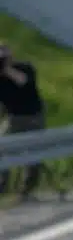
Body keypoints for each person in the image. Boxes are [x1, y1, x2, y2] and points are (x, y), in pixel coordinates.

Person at [0, 42, 47, 197]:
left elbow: (23, 81)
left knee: (34, 155)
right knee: (3, 147)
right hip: (13, 118)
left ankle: (26, 190)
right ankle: (2, 185)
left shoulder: (25, 67)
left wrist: (6, 69)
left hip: (33, 117)